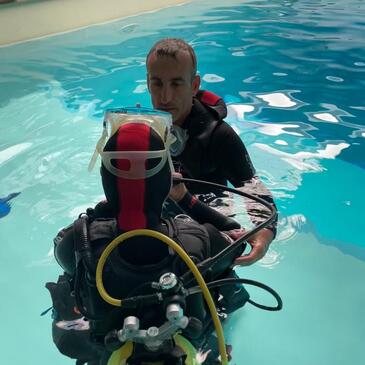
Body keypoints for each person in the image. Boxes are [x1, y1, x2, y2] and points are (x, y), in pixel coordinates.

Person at [46, 112, 250, 365]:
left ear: (106, 180)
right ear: (166, 179)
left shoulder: (79, 242)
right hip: (187, 351)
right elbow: (238, 240)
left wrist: (103, 211)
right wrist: (187, 200)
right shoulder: (201, 240)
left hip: (112, 354)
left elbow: (59, 249)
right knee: (227, 287)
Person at [146, 38, 277, 268]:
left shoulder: (218, 136)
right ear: (148, 83)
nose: (165, 97)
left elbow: (253, 189)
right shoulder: (143, 131)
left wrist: (263, 235)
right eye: (157, 84)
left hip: (210, 228)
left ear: (194, 85)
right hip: (160, 224)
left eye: (176, 84)